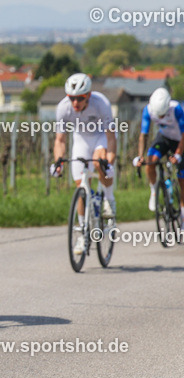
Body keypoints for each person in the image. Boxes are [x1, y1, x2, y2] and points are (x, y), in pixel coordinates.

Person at [50, 72, 117, 255]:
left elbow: (111, 137)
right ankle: (82, 234)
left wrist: (109, 163)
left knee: (98, 162)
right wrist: (58, 162)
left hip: (101, 137)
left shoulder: (101, 103)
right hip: (81, 139)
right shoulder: (63, 108)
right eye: (71, 98)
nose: (75, 103)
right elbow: (60, 141)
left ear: (88, 95)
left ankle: (109, 201)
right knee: (80, 189)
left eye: (79, 98)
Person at [132, 87, 184, 213]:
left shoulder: (176, 108)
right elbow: (144, 135)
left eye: (163, 115)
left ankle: (183, 215)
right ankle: (154, 190)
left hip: (180, 140)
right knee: (150, 161)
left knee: (182, 179)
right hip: (164, 138)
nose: (160, 117)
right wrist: (140, 156)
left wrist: (178, 154)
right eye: (158, 115)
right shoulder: (148, 110)